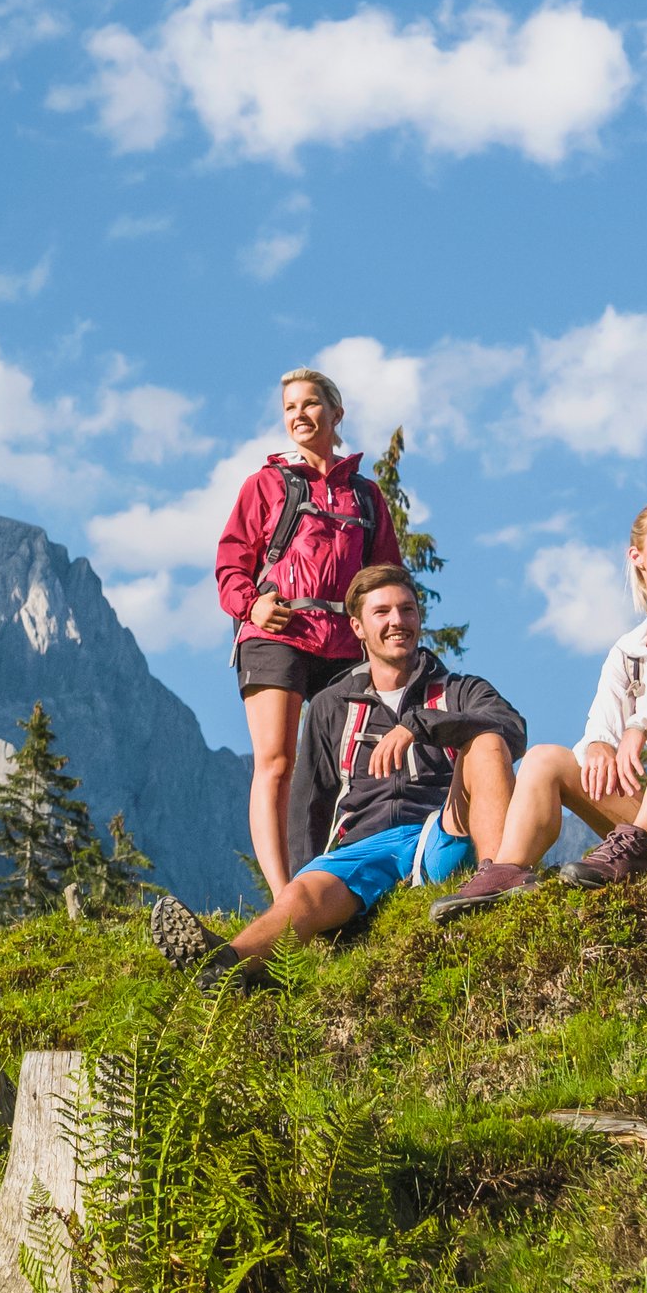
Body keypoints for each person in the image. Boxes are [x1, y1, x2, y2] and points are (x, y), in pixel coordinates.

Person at [152, 565, 522, 983]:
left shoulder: (460, 690)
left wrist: (418, 726)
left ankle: (497, 887)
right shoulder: (331, 704)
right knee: (305, 892)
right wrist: (301, 880)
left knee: (488, 741)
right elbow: (310, 801)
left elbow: (512, 728)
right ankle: (226, 965)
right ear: (358, 628)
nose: (397, 621)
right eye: (382, 612)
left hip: (440, 831)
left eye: (407, 610)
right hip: (363, 848)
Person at [431, 503, 647, 919]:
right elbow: (596, 735)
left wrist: (642, 725)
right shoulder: (627, 651)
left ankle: (637, 847)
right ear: (636, 556)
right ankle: (507, 874)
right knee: (545, 759)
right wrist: (601, 743)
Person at [212, 367, 405, 902]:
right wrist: (254, 604)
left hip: (345, 644)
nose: (299, 414)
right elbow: (231, 564)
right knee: (276, 761)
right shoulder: (266, 485)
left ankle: (335, 879)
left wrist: (388, 632)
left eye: (310, 404)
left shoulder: (366, 498)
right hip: (275, 633)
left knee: (350, 767)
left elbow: (385, 577)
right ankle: (284, 896)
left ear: (335, 415)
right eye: (290, 407)